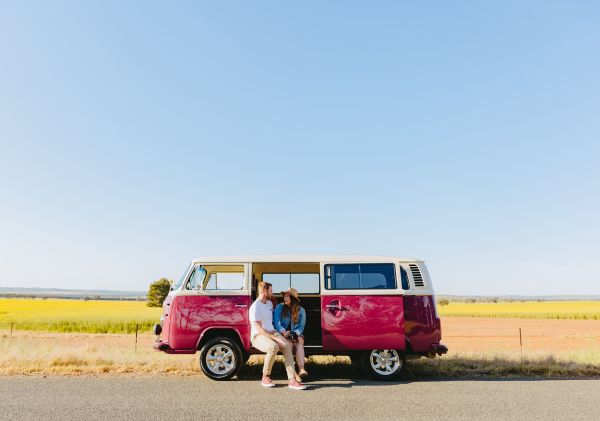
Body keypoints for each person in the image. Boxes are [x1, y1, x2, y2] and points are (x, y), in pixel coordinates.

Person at [249, 281, 306, 390]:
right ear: (265, 291)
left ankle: (292, 380)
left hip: (272, 332)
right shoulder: (255, 307)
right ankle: (265, 376)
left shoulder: (270, 304)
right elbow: (261, 331)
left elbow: (276, 322)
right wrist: (276, 338)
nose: (273, 292)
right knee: (273, 346)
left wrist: (282, 335)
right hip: (258, 335)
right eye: (271, 290)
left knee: (285, 345)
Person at [274, 287, 308, 378]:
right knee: (289, 344)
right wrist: (284, 332)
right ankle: (293, 373)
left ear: (293, 299)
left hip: (295, 333)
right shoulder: (279, 307)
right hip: (282, 334)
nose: (285, 298)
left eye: (287, 296)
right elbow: (277, 323)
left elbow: (301, 327)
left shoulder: (301, 311)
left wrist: (295, 334)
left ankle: (301, 368)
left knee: (300, 341)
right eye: (284, 296)